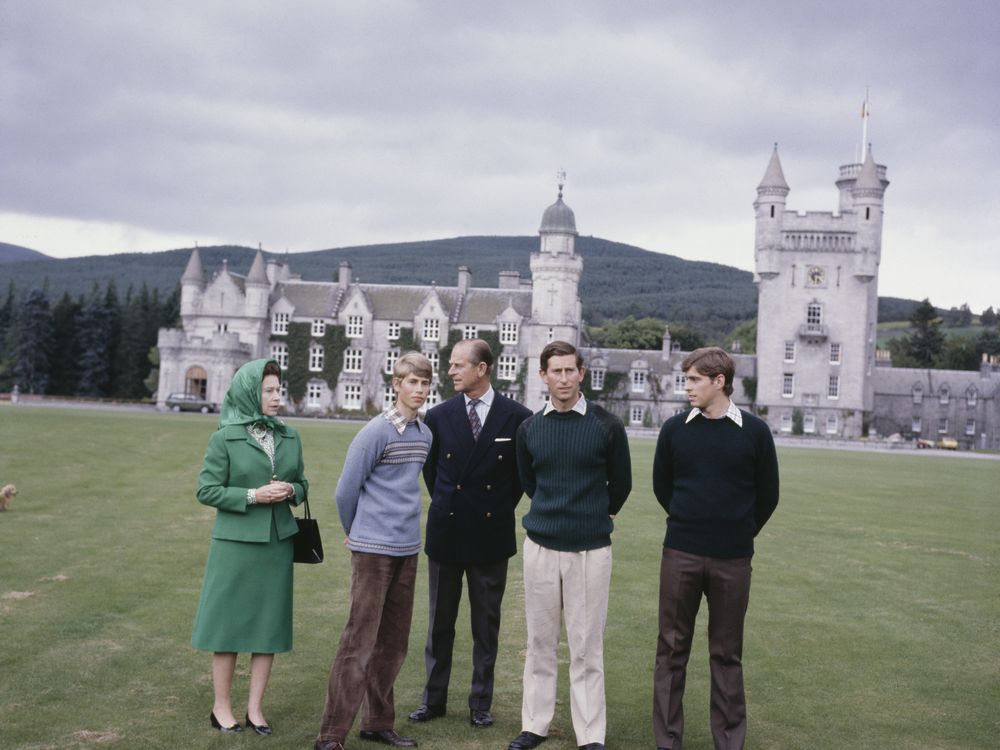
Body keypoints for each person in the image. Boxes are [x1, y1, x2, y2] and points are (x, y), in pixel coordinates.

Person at [651, 347, 779, 750]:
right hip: (681, 554)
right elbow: (662, 487)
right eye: (685, 379)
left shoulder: (755, 432)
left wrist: (737, 532)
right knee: (671, 649)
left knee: (726, 654)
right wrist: (692, 522)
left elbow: (768, 496)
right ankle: (668, 741)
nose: (686, 387)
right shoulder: (674, 429)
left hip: (733, 559)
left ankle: (728, 742)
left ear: (719, 381)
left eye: (694, 380)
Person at [507, 340, 632, 750]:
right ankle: (535, 725)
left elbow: (622, 484)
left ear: (581, 374)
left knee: (585, 647)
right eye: (555, 371)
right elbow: (529, 483)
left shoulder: (606, 425)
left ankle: (590, 735)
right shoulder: (529, 428)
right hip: (541, 547)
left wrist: (597, 515)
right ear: (542, 375)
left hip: (590, 551)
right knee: (540, 643)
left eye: (570, 370)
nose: (563, 378)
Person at [408, 339, 532, 729]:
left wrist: (491, 512)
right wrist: (450, 505)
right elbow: (432, 474)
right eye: (450, 365)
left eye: (459, 365)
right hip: (447, 531)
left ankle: (481, 702)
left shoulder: (518, 417)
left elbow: (519, 480)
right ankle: (433, 700)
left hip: (491, 534)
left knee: (486, 626)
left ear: (483, 369)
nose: (450, 372)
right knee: (439, 624)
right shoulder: (439, 416)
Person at [315, 352, 434, 750]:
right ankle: (331, 736)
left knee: (394, 643)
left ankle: (378, 723)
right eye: (411, 382)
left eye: (424, 383)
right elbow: (345, 491)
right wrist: (356, 533)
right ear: (396, 385)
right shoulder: (374, 433)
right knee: (358, 642)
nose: (418, 390)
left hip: (407, 549)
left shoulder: (425, 435)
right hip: (371, 551)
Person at [192, 358, 309, 736]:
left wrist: (292, 489)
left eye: (279, 390)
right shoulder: (224, 437)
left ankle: (256, 709)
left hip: (277, 544)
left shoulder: (290, 435)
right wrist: (253, 495)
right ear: (249, 392)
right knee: (227, 629)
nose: (277, 397)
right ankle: (221, 708)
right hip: (235, 546)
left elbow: (303, 483)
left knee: (267, 628)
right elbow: (206, 490)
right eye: (269, 391)